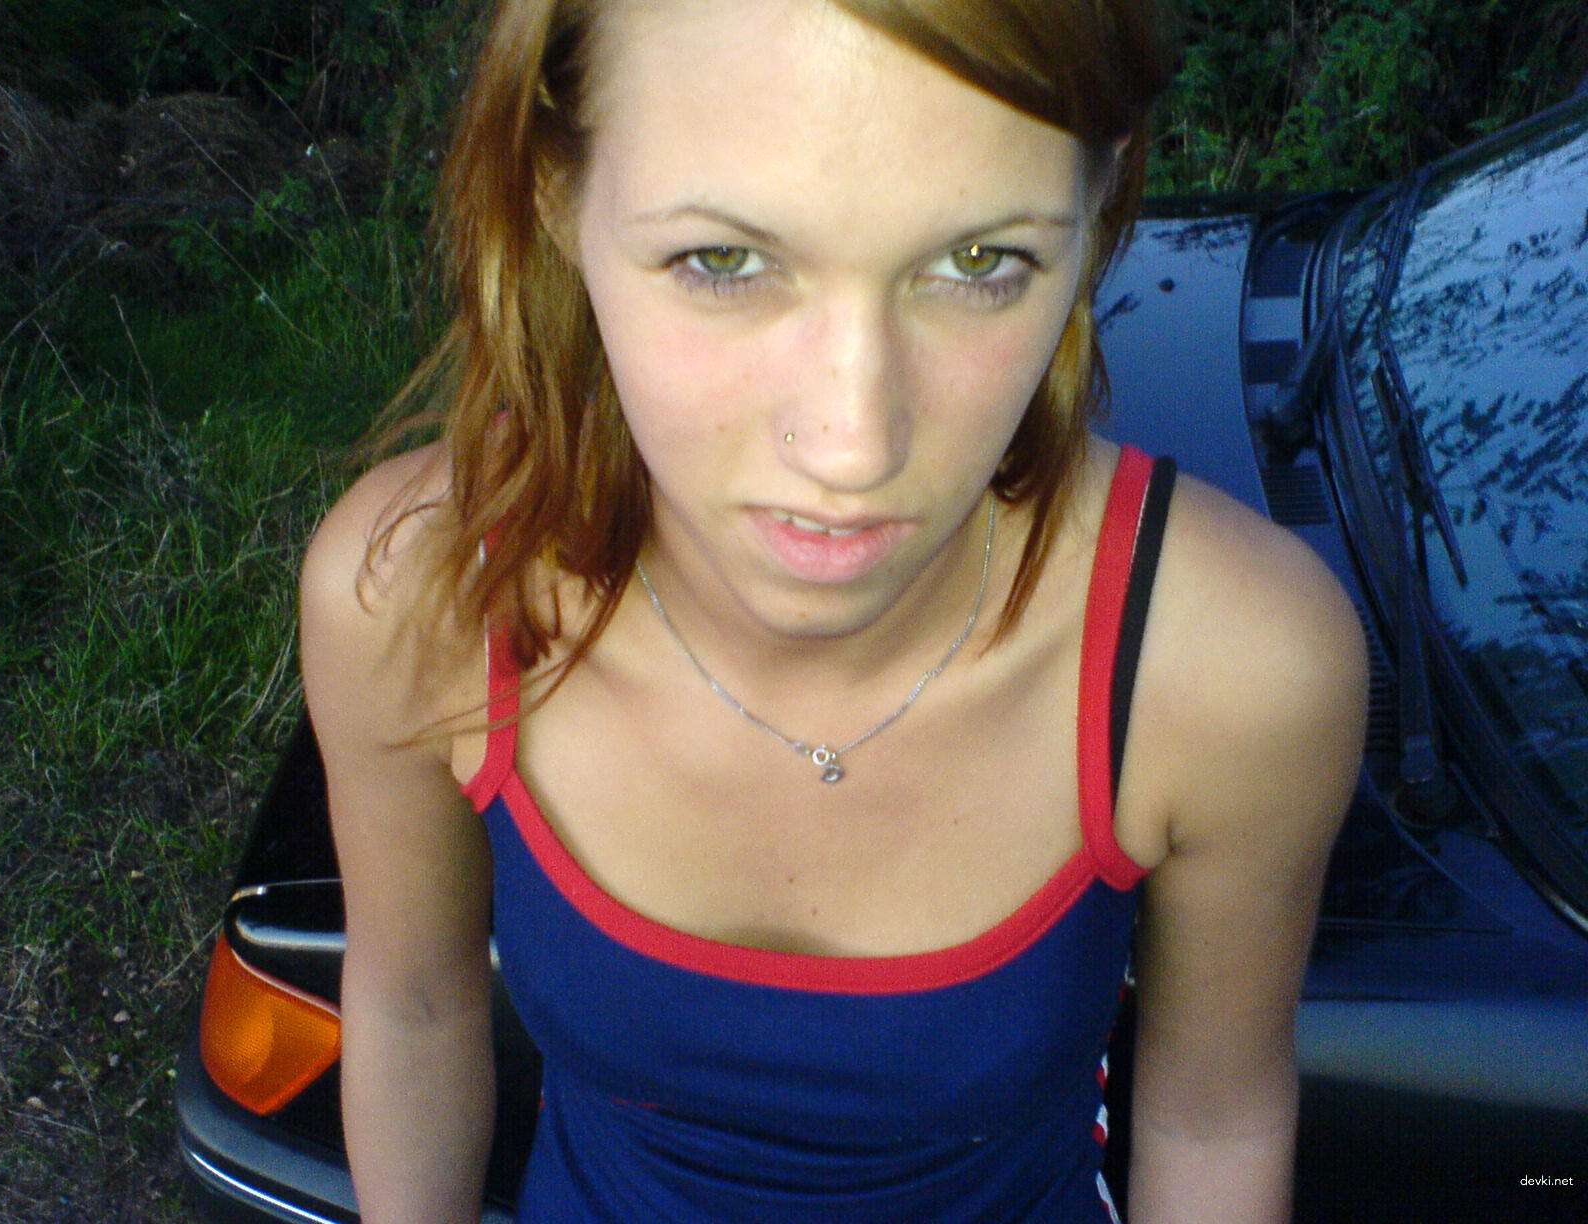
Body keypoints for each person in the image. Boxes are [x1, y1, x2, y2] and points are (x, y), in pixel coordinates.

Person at [298, 0, 1369, 1219]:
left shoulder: (1226, 670)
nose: (852, 447)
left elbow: (1211, 1120)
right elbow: (412, 1005)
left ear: (1094, 212)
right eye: (723, 261)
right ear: (556, 193)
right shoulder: (417, 594)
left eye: (979, 263)